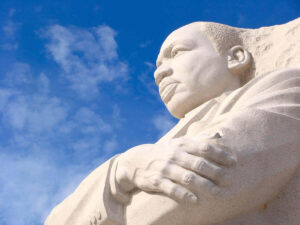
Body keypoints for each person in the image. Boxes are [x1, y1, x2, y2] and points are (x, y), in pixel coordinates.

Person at [45, 18, 300, 225]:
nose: (159, 73)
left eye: (176, 53)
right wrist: (123, 168)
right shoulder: (150, 152)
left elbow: (207, 185)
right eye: (157, 64)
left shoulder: (284, 90)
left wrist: (119, 197)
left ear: (236, 57)